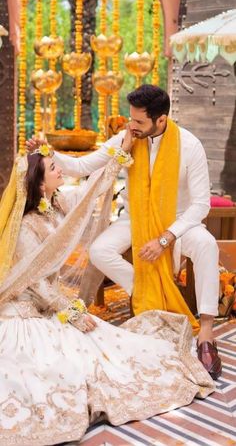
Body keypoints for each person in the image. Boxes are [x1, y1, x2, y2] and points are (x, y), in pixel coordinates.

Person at [0, 145, 215, 445]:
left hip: (50, 304)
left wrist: (119, 157)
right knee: (64, 363)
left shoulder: (58, 204)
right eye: (52, 168)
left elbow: (92, 193)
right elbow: (37, 284)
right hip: (27, 310)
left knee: (109, 347)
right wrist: (72, 313)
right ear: (38, 184)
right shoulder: (27, 226)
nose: (59, 168)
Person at [27, 84, 222, 381]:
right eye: (131, 119)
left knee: (207, 244)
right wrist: (47, 152)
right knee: (99, 250)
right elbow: (82, 166)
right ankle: (141, 290)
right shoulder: (127, 138)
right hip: (135, 219)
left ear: (161, 119)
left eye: (139, 121)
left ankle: (206, 333)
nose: (132, 126)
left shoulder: (190, 146)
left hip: (178, 222)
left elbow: (200, 205)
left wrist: (166, 237)